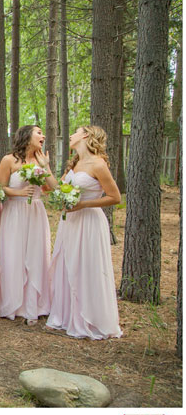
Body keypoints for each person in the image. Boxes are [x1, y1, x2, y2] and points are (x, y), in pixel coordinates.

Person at [47, 125, 122, 339]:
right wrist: (46, 167)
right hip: (70, 222)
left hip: (89, 221)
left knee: (87, 267)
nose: (71, 135)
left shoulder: (98, 164)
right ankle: (67, 316)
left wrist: (84, 204)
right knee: (68, 264)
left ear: (86, 135)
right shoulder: (75, 163)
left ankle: (90, 318)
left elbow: (115, 197)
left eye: (76, 132)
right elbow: (58, 189)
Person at [0, 125, 58, 324]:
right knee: (13, 254)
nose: (43, 136)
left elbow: (51, 188)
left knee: (35, 255)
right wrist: (19, 193)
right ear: (26, 136)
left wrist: (46, 166)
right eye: (38, 132)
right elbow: (0, 188)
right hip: (14, 212)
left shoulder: (41, 160)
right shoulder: (9, 160)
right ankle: (12, 302)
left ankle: (34, 304)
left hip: (35, 213)